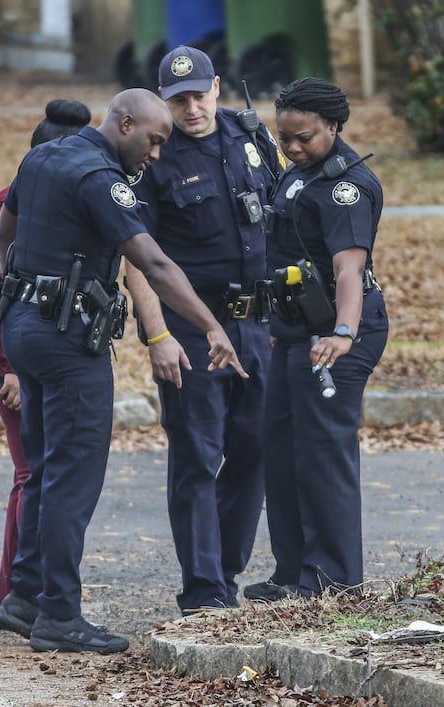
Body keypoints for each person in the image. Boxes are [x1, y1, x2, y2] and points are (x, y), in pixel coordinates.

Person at [0, 87, 248, 654]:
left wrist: (24, 292)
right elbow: (153, 262)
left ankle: (25, 595)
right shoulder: (99, 179)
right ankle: (59, 615)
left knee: (41, 465)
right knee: (71, 476)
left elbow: (2, 236)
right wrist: (210, 326)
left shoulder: (41, 157)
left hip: (23, 331)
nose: (156, 155)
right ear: (124, 122)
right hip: (66, 343)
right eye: (154, 140)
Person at [124, 46, 283, 615]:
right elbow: (138, 258)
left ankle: (227, 570)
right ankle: (203, 589)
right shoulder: (153, 156)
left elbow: (280, 219)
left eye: (199, 95)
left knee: (254, 449)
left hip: (258, 324)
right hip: (193, 331)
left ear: (217, 87)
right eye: (179, 100)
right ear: (163, 100)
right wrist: (158, 336)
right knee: (197, 454)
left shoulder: (250, 135)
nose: (191, 109)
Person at [243, 78, 389, 602]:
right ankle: (294, 573)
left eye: (304, 137)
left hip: (340, 330)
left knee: (322, 453)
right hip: (296, 330)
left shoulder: (347, 187)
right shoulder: (301, 174)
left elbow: (349, 269)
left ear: (333, 126)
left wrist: (343, 333)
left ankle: (333, 580)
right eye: (285, 138)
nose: (293, 148)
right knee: (281, 449)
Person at [0, 99, 92, 607]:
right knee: (32, 473)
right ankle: (16, 596)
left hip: (44, 352)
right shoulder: (6, 211)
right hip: (9, 359)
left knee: (45, 470)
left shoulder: (67, 208)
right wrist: (11, 371)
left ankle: (31, 593)